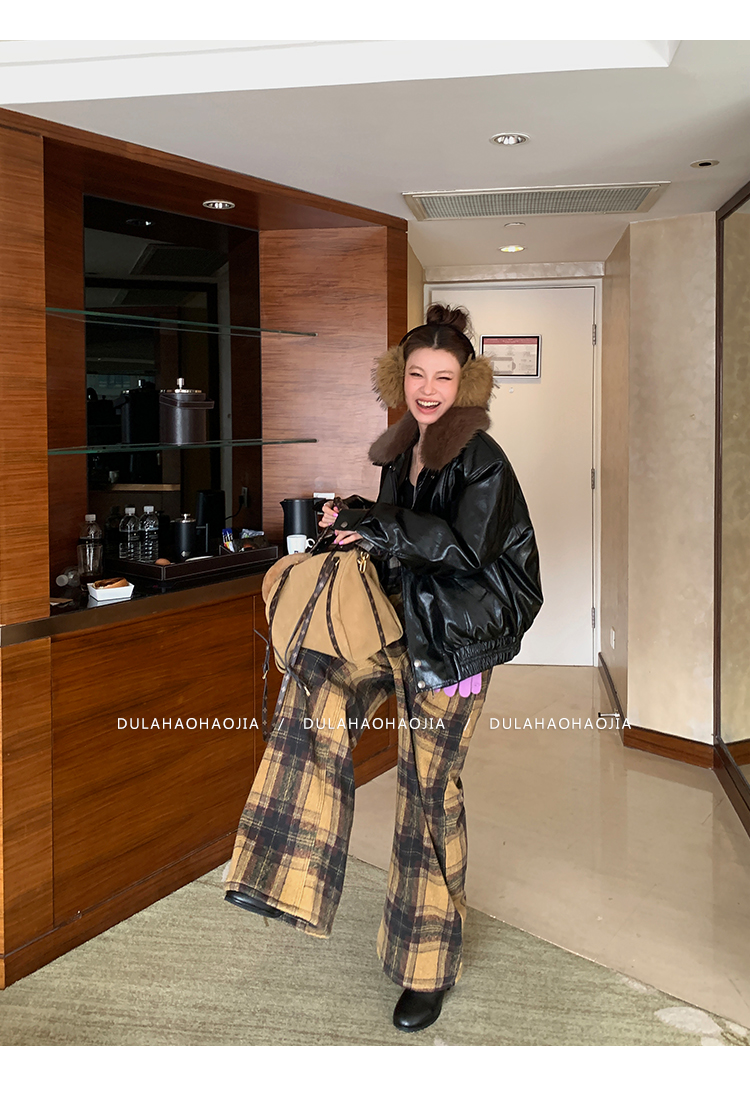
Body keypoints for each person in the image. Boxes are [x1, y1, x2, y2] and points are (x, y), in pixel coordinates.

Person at [224, 304, 543, 1033]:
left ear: (467, 385)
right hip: (398, 625)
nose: (428, 388)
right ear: (399, 378)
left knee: (429, 792)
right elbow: (400, 543)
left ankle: (426, 969)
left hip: (456, 643)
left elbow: (463, 550)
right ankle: (281, 877)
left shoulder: (483, 459)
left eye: (444, 377)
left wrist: (378, 521)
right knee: (314, 687)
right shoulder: (404, 449)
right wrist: (356, 523)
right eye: (416, 374)